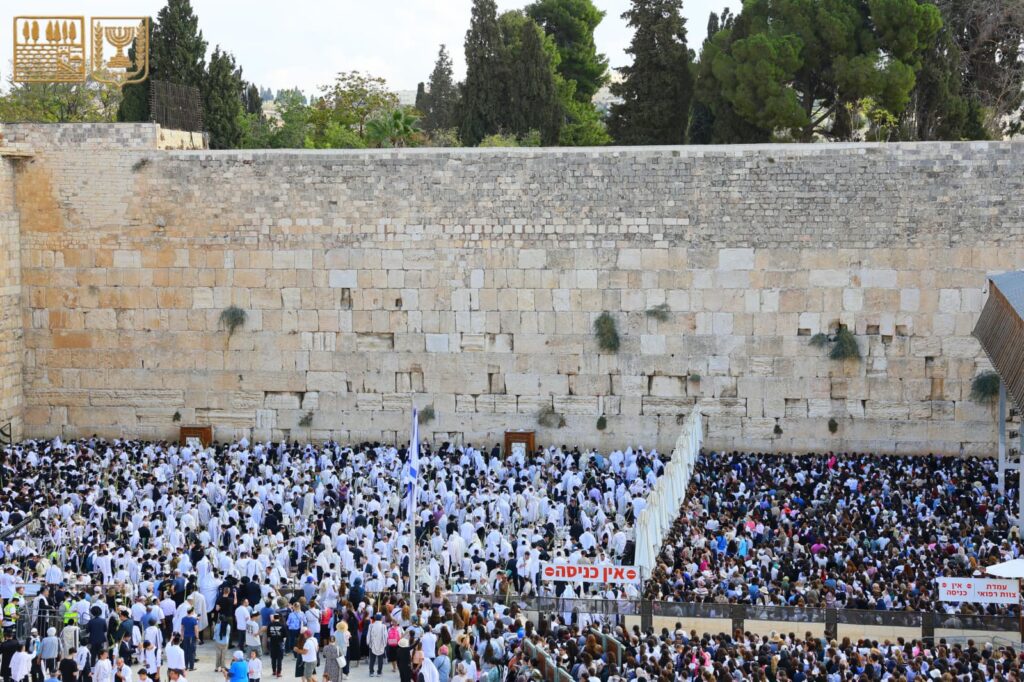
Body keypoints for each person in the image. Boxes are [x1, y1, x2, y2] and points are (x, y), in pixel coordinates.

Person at [266, 614, 285, 679]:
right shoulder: (282, 625)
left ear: (274, 618)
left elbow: (268, 636)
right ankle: (278, 672)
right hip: (280, 644)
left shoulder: (270, 625)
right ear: (279, 618)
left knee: (273, 658)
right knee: (279, 658)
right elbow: (285, 636)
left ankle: (274, 671)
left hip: (272, 644)